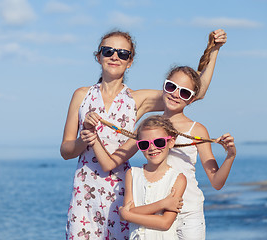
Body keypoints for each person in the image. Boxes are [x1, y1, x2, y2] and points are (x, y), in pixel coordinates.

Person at [61, 29, 227, 240]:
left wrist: (213, 52)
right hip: (85, 191)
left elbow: (191, 92)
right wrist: (83, 138)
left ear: (130, 62)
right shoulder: (81, 95)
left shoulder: (136, 99)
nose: (115, 56)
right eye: (108, 50)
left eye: (123, 53)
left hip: (122, 191)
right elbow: (66, 150)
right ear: (98, 55)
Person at [119, 115, 187, 240]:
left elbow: (165, 223)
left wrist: (127, 215)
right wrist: (162, 204)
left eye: (159, 142)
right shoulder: (132, 174)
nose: (152, 148)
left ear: (170, 142)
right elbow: (128, 212)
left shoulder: (178, 179)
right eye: (144, 144)